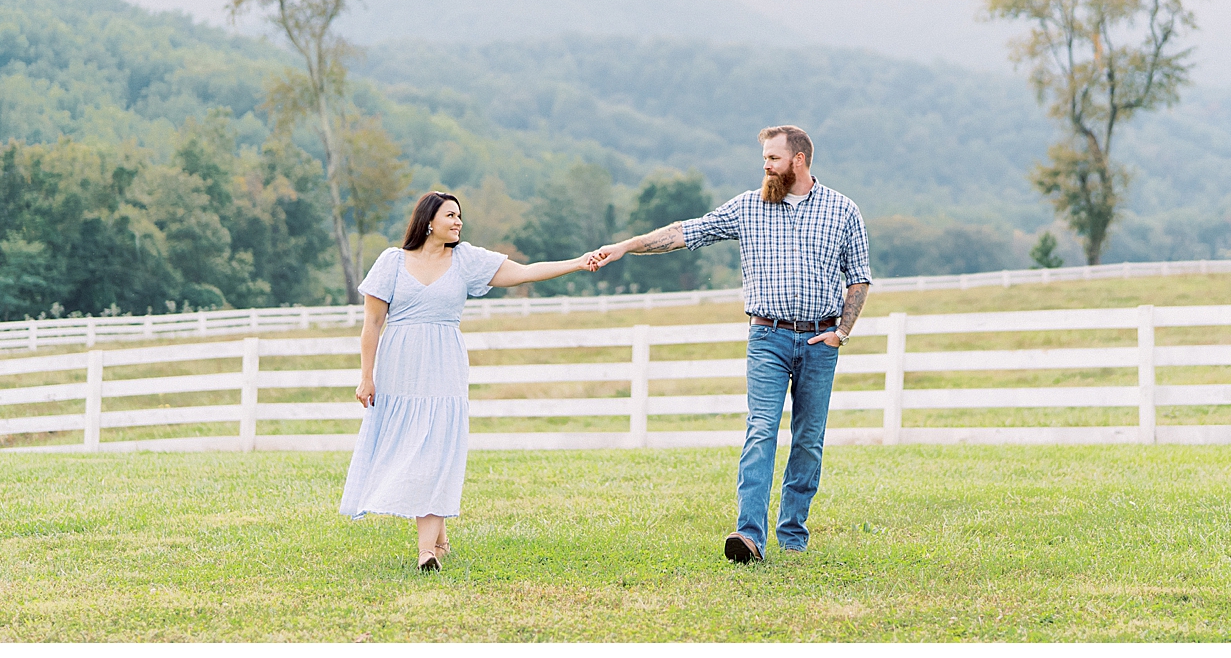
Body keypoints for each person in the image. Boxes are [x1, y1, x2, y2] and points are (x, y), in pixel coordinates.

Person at [593, 125, 871, 563]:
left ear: (799, 160)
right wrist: (627, 246)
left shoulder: (842, 210)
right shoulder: (748, 206)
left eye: (774, 158)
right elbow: (689, 231)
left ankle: (793, 532)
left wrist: (842, 332)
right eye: (764, 157)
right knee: (761, 429)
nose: (766, 165)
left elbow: (858, 276)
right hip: (767, 336)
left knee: (808, 439)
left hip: (820, 338)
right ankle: (750, 536)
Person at [340, 190, 598, 571]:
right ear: (429, 220)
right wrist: (367, 377)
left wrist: (577, 263)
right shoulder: (392, 262)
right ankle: (438, 540)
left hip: (444, 367)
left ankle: (426, 551)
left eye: (460, 216)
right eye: (451, 215)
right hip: (401, 371)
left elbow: (525, 272)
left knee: (436, 450)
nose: (458, 222)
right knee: (412, 451)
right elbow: (372, 325)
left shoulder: (466, 260)